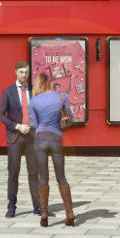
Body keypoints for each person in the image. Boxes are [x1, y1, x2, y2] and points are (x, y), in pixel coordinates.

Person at [28, 71, 77, 226]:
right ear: (49, 82)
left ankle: (43, 214)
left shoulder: (34, 101)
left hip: (40, 139)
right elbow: (70, 116)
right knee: (61, 177)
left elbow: (35, 124)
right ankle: (69, 212)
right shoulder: (61, 95)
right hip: (56, 138)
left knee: (43, 177)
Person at [0, 62, 41, 219]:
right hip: (15, 136)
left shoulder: (34, 91)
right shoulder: (8, 92)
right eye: (21, 72)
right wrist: (17, 126)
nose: (24, 75)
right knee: (13, 173)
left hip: (32, 136)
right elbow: (1, 115)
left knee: (34, 173)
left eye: (26, 72)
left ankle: (38, 207)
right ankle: (11, 206)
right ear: (16, 72)